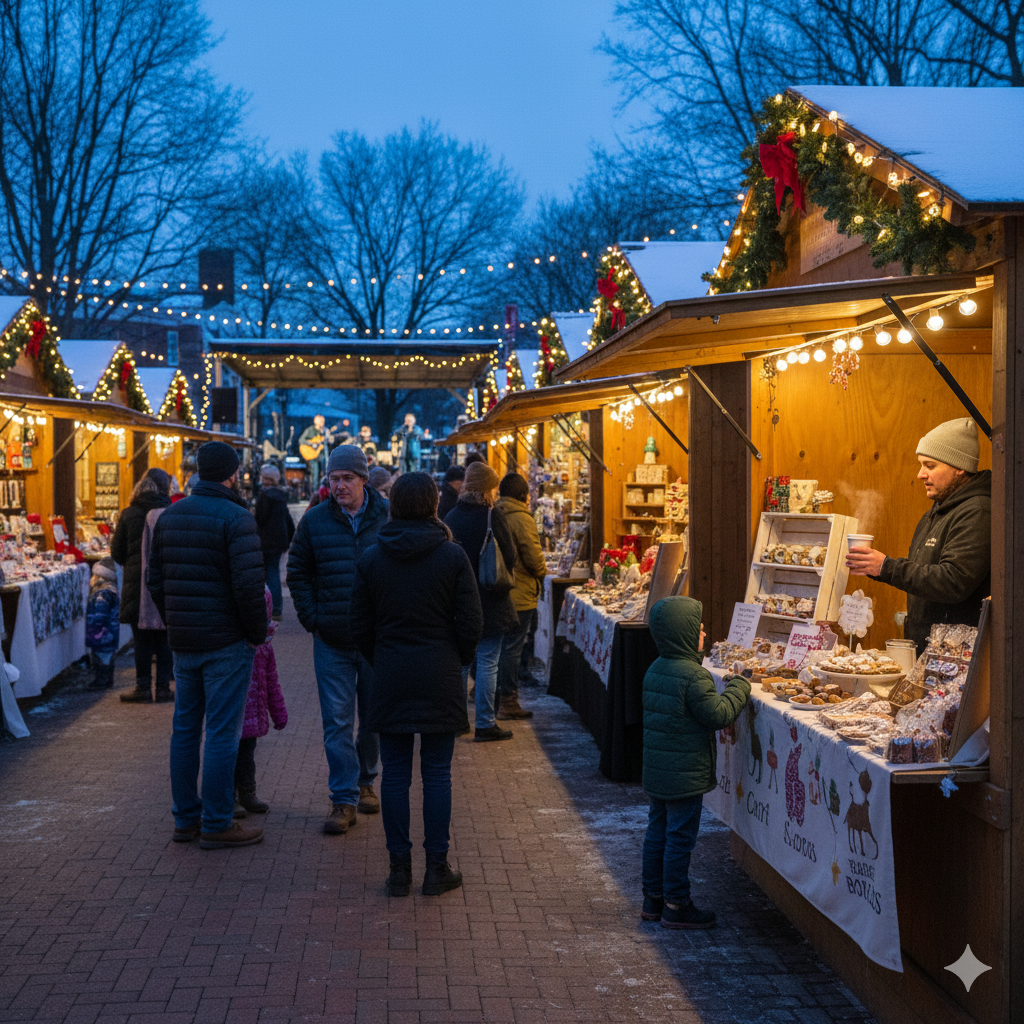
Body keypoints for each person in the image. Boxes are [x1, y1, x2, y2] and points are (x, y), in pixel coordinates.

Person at [351, 472, 483, 897]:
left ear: (393, 506)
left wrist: (381, 658)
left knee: (394, 775)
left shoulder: (373, 557)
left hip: (389, 673)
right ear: (433, 504)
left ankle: (399, 868)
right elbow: (471, 623)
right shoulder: (451, 556)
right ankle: (436, 867)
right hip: (439, 672)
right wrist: (456, 659)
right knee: (437, 772)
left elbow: (360, 624)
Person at [147, 440, 269, 850]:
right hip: (226, 641)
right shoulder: (237, 518)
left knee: (185, 729)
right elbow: (250, 587)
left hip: (184, 641)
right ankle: (216, 822)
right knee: (221, 731)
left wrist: (174, 620)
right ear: (232, 474)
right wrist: (255, 633)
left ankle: (186, 818)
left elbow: (155, 581)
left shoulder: (170, 515)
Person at [287, 445, 387, 834]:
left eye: (347, 478)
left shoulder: (387, 517)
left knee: (374, 718)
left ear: (364, 479)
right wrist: (313, 618)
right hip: (332, 638)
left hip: (376, 640)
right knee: (337, 721)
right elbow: (297, 572)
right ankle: (343, 798)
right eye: (334, 479)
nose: (340, 486)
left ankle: (366, 783)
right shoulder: (314, 522)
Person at [640, 596, 750, 929]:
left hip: (659, 772)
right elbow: (718, 714)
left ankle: (652, 899)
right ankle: (677, 904)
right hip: (685, 775)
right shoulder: (694, 677)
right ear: (683, 633)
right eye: (697, 627)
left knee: (657, 833)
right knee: (680, 838)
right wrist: (740, 685)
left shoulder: (655, 668)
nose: (703, 632)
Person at [846, 418, 991, 654]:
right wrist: (877, 567)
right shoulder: (934, 513)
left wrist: (886, 567)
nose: (920, 474)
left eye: (930, 466)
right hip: (928, 650)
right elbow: (923, 575)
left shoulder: (978, 511)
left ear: (959, 467)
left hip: (954, 659)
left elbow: (954, 581)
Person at [444, 461, 518, 742]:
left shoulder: (451, 516)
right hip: (491, 599)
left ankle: (458, 721)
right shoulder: (491, 515)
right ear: (488, 489)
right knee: (488, 662)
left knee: (462, 663)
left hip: (460, 601)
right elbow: (509, 555)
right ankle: (485, 723)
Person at [111, 469, 173, 703]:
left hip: (136, 584)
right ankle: (164, 687)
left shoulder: (128, 514)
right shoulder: (169, 512)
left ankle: (143, 688)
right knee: (165, 637)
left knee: (142, 639)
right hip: (164, 582)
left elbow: (117, 552)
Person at [494, 473, 546, 720]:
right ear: (524, 495)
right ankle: (508, 701)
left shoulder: (493, 512)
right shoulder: (522, 518)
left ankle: (494, 697)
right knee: (513, 647)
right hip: (520, 591)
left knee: (498, 646)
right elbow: (534, 558)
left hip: (497, 589)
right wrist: (542, 572)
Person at [235, 586, 287, 815]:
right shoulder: (234, 647)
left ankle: (247, 793)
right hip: (234, 716)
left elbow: (272, 682)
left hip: (252, 719)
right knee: (231, 754)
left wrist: (279, 712)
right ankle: (230, 796)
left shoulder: (264, 648)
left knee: (247, 756)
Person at [254, 464, 295, 621]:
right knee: (274, 572)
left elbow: (261, 519)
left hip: (266, 540)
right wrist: (289, 538)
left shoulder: (265, 496)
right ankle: (276, 607)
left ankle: (270, 607)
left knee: (268, 572)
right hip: (279, 540)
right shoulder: (280, 496)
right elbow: (287, 518)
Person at [85, 557, 119, 690]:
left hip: (101, 632)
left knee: (101, 655)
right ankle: (107, 679)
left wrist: (94, 629)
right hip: (110, 631)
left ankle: (102, 680)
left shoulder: (102, 593)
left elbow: (99, 615)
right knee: (108, 655)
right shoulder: (111, 590)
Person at [299, 414, 335, 491]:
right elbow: (301, 440)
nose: (322, 423)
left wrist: (330, 440)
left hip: (322, 455)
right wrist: (312, 443)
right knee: (314, 473)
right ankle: (314, 491)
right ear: (315, 421)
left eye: (323, 421)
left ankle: (325, 490)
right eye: (320, 421)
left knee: (325, 471)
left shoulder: (325, 431)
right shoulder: (310, 430)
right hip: (312, 455)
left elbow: (329, 442)